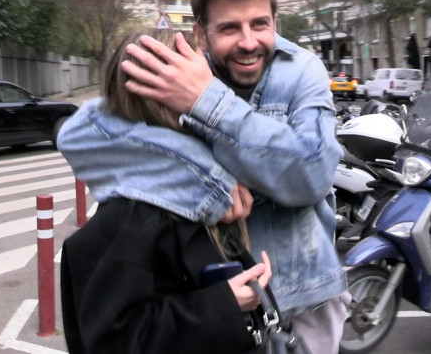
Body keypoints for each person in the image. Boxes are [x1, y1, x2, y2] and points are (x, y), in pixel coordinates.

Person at [120, 0, 349, 354]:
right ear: (201, 34)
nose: (248, 41)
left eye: (260, 23)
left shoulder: (302, 71)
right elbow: (131, 162)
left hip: (303, 297)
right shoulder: (175, 72)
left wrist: (208, 102)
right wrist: (211, 188)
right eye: (229, 28)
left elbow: (311, 175)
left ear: (275, 22)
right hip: (212, 297)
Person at [58, 29, 273, 354]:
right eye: (192, 77)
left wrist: (245, 281)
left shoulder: (196, 181)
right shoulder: (133, 211)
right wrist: (225, 304)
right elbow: (116, 340)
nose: (209, 89)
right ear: (157, 95)